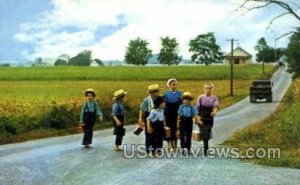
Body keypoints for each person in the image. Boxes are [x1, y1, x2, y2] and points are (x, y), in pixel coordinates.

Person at [138, 84, 162, 155]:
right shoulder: (146, 100)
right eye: (157, 91)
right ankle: (149, 150)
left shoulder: (160, 98)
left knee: (158, 134)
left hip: (158, 116)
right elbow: (142, 109)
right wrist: (140, 119)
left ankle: (157, 149)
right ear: (152, 92)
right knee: (149, 133)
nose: (159, 92)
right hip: (149, 116)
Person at [196, 83, 219, 156]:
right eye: (206, 88)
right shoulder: (200, 97)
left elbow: (216, 106)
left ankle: (205, 142)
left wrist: (214, 112)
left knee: (207, 131)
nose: (208, 90)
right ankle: (206, 148)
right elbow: (197, 108)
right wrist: (197, 118)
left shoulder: (214, 97)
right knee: (204, 131)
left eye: (209, 88)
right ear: (204, 89)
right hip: (201, 116)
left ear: (212, 89)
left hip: (209, 117)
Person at [164, 79, 182, 151]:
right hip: (168, 112)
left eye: (175, 84)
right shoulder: (166, 94)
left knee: (176, 128)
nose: (174, 86)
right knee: (168, 128)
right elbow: (163, 104)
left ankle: (175, 143)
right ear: (169, 85)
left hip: (176, 112)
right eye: (173, 84)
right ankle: (169, 144)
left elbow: (181, 103)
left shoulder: (179, 93)